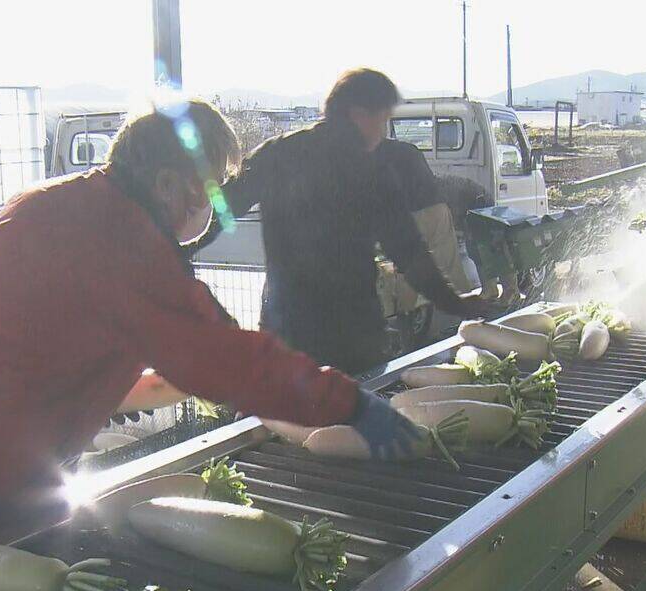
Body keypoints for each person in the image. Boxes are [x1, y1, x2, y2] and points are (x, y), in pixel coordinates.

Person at [0, 100, 419, 544]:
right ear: (168, 185)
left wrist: (101, 391)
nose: (212, 204)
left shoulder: (49, 200)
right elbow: (230, 361)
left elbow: (27, 334)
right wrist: (348, 403)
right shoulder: (128, 247)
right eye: (208, 190)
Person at [206, 68, 488, 375]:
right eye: (382, 120)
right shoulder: (372, 173)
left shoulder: (278, 153)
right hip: (353, 338)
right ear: (358, 114)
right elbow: (409, 253)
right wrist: (455, 303)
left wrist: (184, 247)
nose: (383, 132)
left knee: (286, 419)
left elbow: (221, 207)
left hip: (287, 333)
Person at [375, 138, 477, 302]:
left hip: (410, 214)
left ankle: (406, 317)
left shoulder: (372, 155)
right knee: (450, 263)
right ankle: (468, 308)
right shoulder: (408, 148)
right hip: (437, 208)